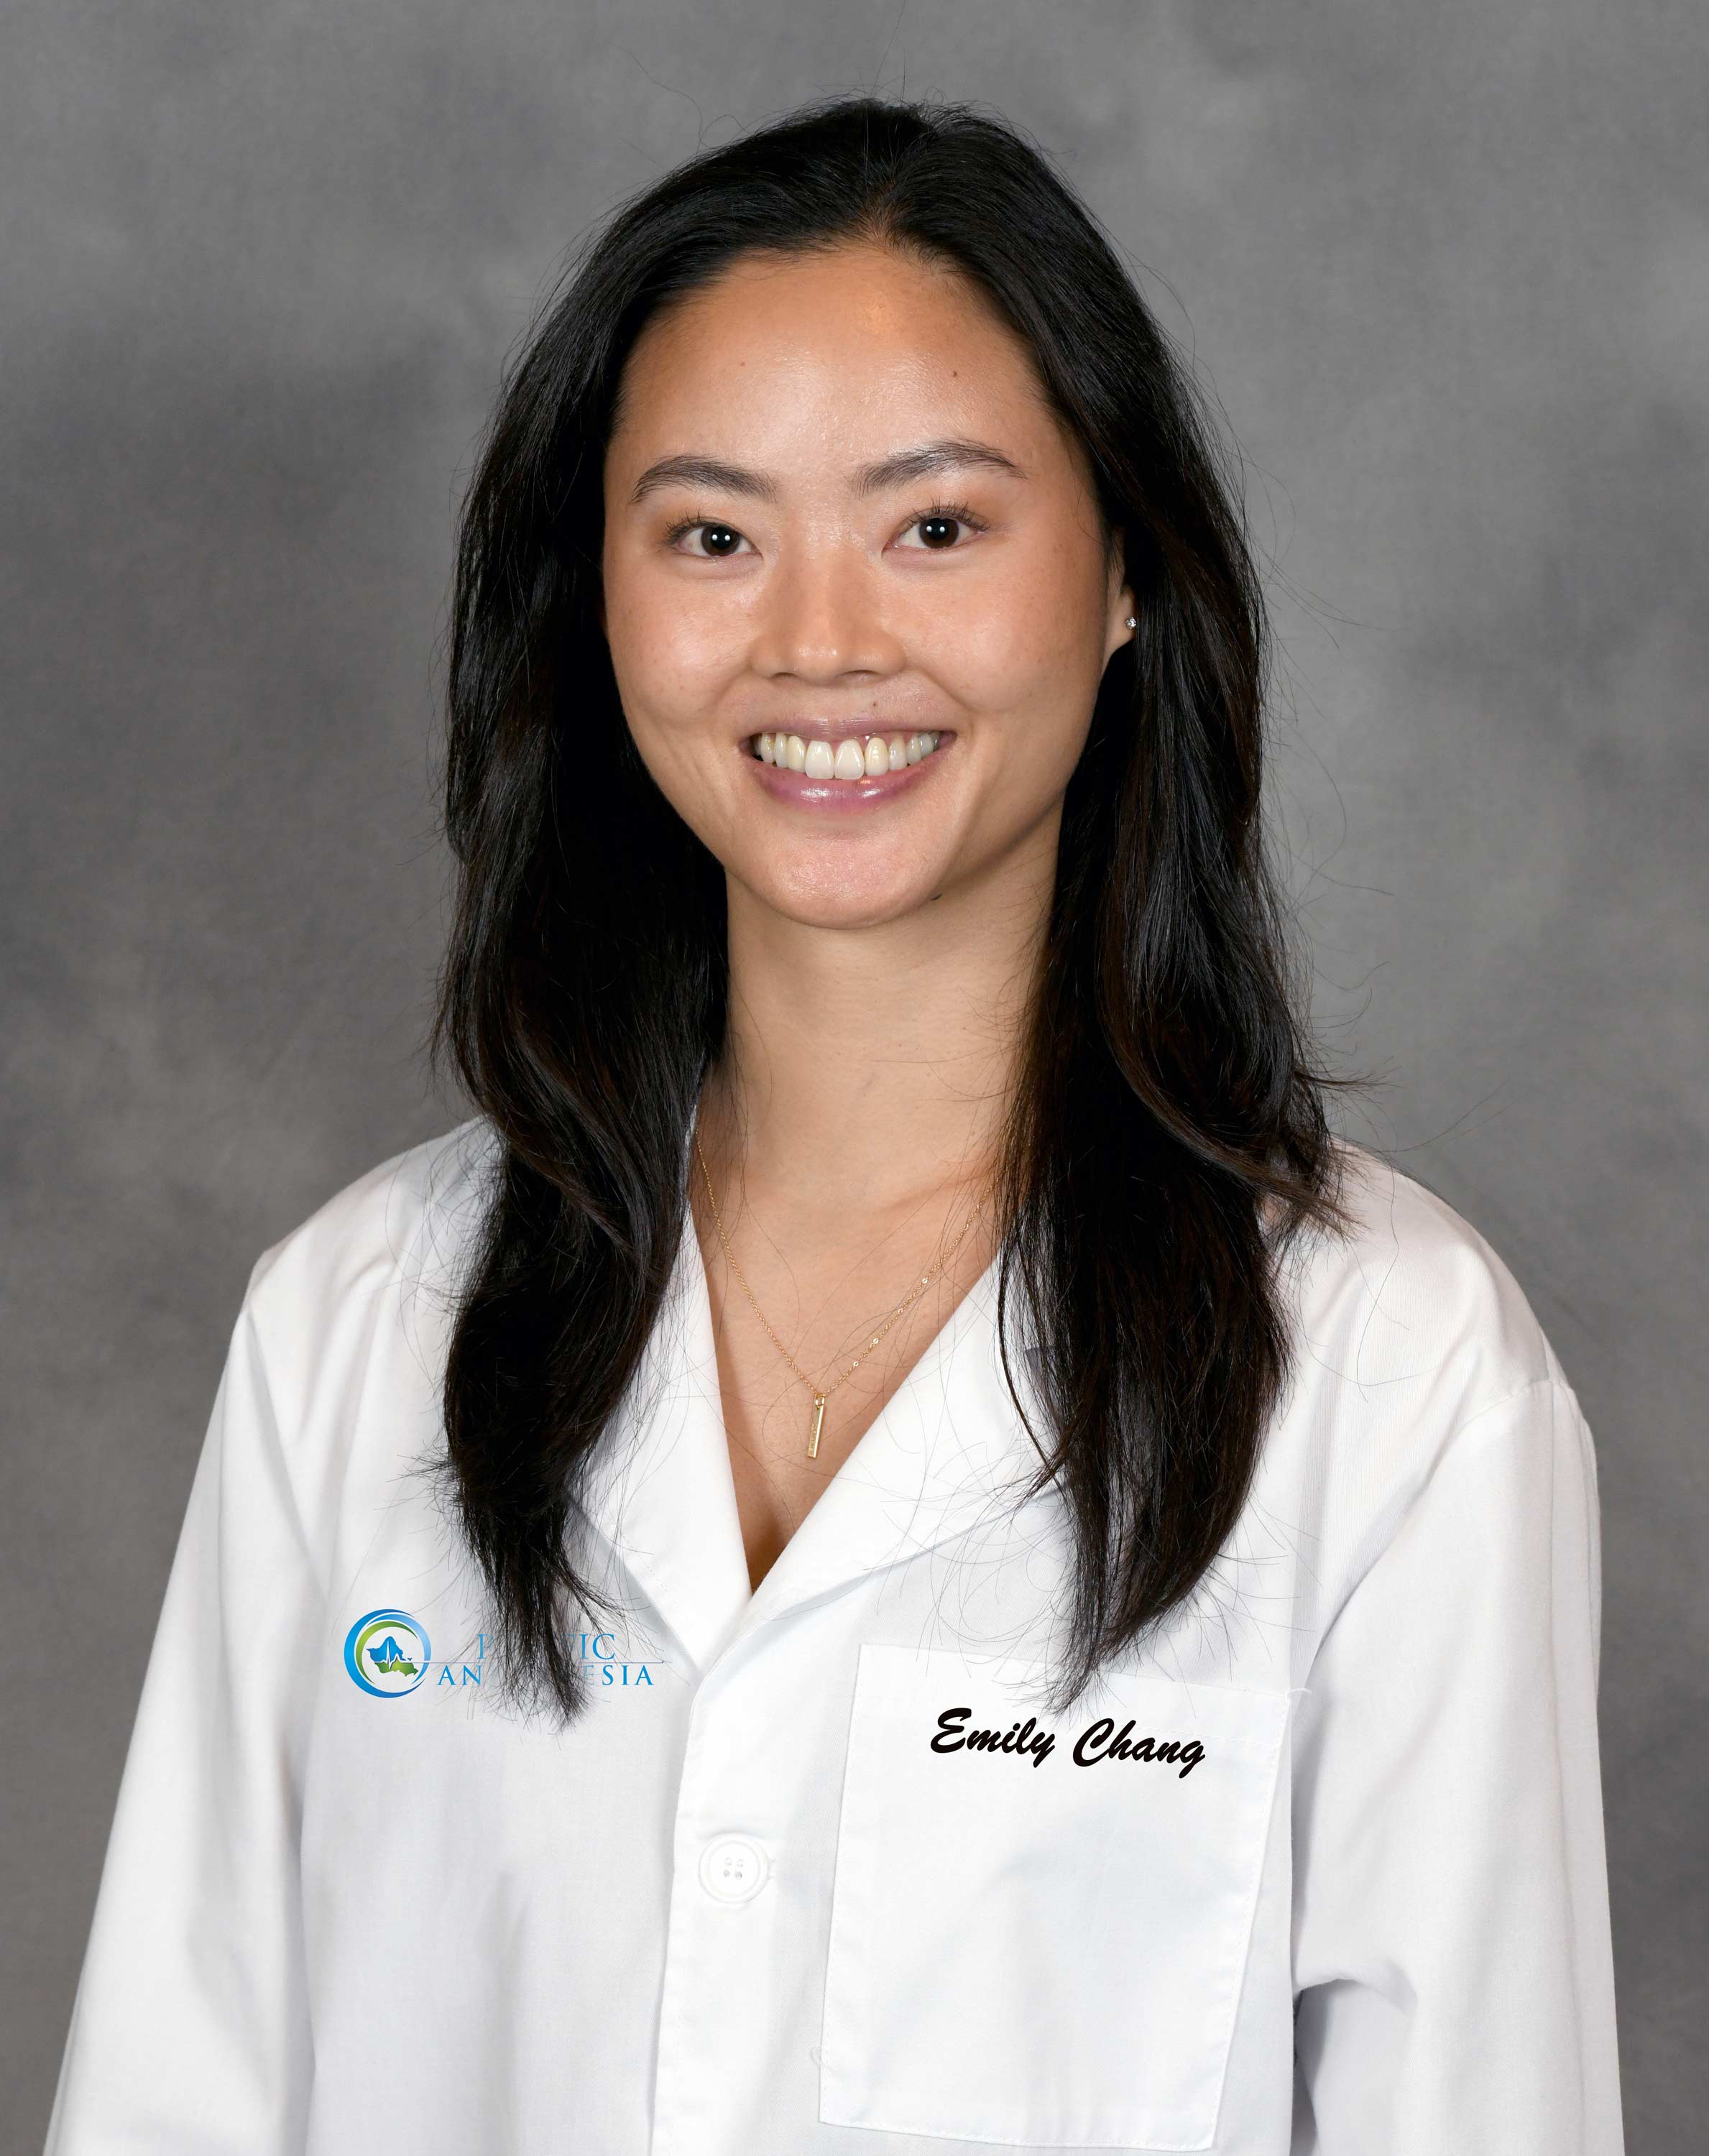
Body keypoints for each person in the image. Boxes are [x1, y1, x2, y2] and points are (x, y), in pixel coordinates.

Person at [43, 93, 1623, 2155]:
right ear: (595, 600)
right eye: (712, 534)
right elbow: (177, 2102)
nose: (819, 644)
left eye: (938, 526)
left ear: (1127, 569)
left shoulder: (1399, 1384)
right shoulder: (356, 1330)